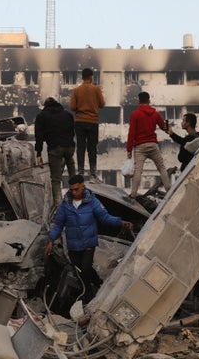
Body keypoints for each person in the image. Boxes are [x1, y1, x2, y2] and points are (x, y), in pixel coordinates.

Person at [45, 175, 132, 303]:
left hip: (88, 243)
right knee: (79, 272)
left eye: (76, 189)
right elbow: (58, 225)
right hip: (73, 245)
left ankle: (93, 290)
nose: (74, 192)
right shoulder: (65, 204)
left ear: (83, 187)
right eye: (71, 190)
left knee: (85, 268)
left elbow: (104, 217)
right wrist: (51, 241)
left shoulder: (93, 201)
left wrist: (120, 222)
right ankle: (91, 291)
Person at [126, 92, 171, 198]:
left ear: (138, 101)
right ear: (149, 101)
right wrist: (167, 126)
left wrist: (129, 150)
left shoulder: (135, 114)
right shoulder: (155, 113)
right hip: (153, 145)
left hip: (140, 147)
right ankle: (169, 191)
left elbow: (131, 133)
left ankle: (133, 193)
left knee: (138, 171)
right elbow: (164, 127)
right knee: (161, 168)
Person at [35, 97, 77, 206]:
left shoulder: (41, 116)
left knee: (56, 180)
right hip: (69, 148)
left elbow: (38, 137)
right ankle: (77, 202)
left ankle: (59, 207)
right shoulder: (67, 114)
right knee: (73, 176)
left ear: (45, 106)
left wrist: (38, 153)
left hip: (55, 149)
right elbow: (73, 132)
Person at [70, 68, 105, 178]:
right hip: (93, 121)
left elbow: (72, 107)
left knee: (81, 147)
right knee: (92, 147)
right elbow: (102, 104)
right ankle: (93, 171)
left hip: (80, 121)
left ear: (82, 77)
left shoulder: (76, 90)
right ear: (91, 77)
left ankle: (80, 170)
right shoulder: (96, 89)